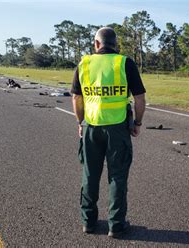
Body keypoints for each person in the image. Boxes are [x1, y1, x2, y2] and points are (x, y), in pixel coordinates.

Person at [71, 27, 146, 238]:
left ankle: (88, 222)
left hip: (91, 127)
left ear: (96, 44)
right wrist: (137, 123)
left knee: (90, 175)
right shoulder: (124, 63)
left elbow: (77, 98)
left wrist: (80, 122)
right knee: (118, 176)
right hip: (118, 128)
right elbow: (140, 98)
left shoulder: (84, 64)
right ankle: (116, 225)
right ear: (115, 44)